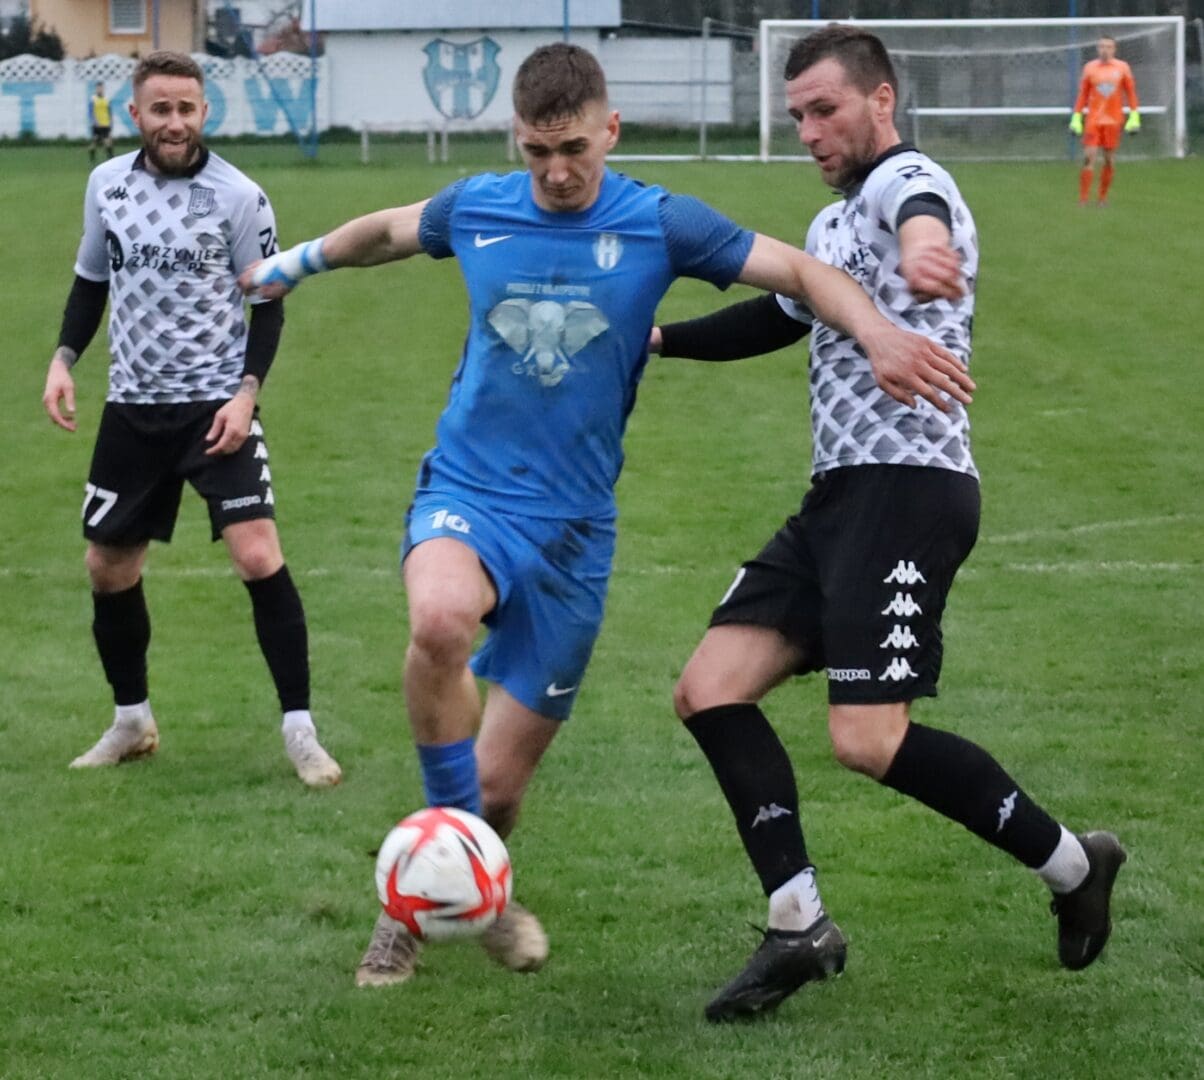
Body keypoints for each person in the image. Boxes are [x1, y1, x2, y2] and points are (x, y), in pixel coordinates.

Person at [241, 42, 972, 988]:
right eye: (537, 151)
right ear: (518, 139)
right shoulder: (478, 207)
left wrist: (876, 332)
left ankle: (476, 884)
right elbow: (384, 231)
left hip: (577, 534)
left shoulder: (663, 223)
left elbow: (798, 271)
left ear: (611, 131)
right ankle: (409, 907)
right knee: (440, 620)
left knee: (498, 790)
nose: (555, 172)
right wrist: (293, 264)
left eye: (574, 149)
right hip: (471, 490)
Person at [653, 25, 1125, 1022]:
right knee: (708, 689)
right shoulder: (830, 227)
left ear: (880, 100)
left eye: (825, 110)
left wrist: (922, 241)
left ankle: (1075, 866)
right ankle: (797, 922)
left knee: (867, 738)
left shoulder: (907, 182)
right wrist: (656, 342)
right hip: (838, 498)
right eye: (797, 116)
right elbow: (778, 319)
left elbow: (917, 204)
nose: (808, 132)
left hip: (910, 488)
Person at [42, 51, 341, 788]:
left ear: (205, 112)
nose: (174, 122)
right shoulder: (106, 186)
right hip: (132, 407)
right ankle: (131, 721)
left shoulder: (240, 197)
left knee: (257, 555)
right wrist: (62, 359)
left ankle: (301, 732)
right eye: (161, 109)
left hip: (215, 408)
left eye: (186, 108)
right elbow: (90, 282)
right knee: (108, 567)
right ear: (136, 113)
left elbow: (267, 306)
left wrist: (246, 397)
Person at [1070, 35, 1140, 206]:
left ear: (1114, 49)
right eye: (1101, 46)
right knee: (1089, 157)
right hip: (1093, 121)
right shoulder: (1089, 68)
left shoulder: (1122, 68)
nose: (1105, 50)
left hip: (1113, 121)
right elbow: (1083, 95)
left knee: (1109, 159)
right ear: (1097, 48)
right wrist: (1077, 117)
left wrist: (1134, 115)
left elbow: (1131, 93)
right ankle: (1083, 199)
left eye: (1108, 47)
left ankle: (1102, 198)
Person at [88, 81, 114, 163]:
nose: (100, 89)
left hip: (106, 123)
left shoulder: (107, 99)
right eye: (98, 88)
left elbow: (109, 111)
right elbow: (90, 112)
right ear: (96, 89)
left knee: (108, 141)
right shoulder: (93, 99)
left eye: (101, 88)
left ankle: (111, 158)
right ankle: (92, 157)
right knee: (94, 142)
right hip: (97, 124)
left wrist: (111, 121)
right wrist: (94, 121)